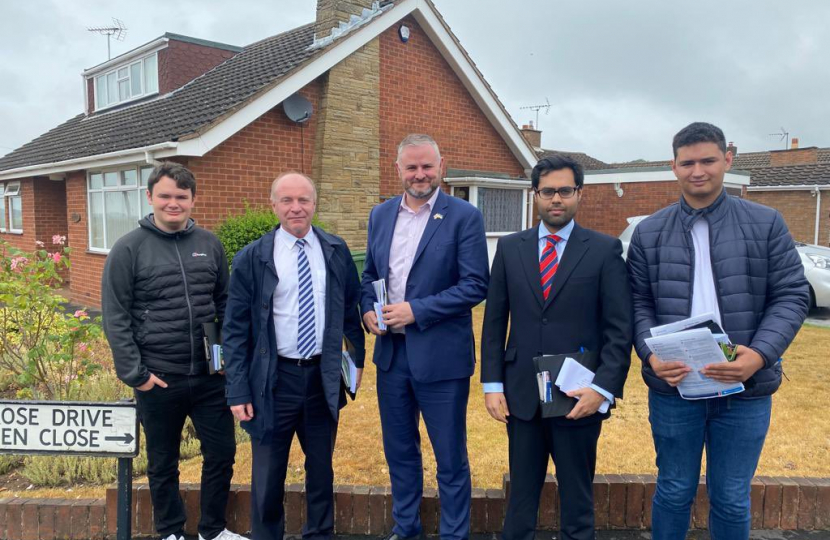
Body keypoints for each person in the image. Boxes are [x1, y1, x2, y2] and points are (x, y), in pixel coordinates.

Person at [627, 122, 810, 540]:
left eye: (708, 160)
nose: (698, 171)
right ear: (672, 166)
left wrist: (760, 355)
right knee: (673, 490)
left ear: (728, 159)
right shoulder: (649, 232)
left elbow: (791, 295)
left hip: (745, 389)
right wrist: (650, 355)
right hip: (675, 387)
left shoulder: (766, 222)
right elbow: (638, 303)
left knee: (731, 496)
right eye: (687, 162)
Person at [480, 155, 633, 540]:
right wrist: (492, 385)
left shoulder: (604, 250)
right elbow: (495, 321)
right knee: (520, 500)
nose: (557, 199)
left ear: (578, 194)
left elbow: (619, 329)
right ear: (536, 195)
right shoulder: (511, 248)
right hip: (522, 396)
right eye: (548, 191)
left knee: (578, 501)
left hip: (577, 396)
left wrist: (602, 389)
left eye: (565, 190)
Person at [102, 162, 242, 540]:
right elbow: (115, 315)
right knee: (163, 463)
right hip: (159, 378)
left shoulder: (209, 244)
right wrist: (137, 374)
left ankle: (213, 530)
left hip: (210, 378)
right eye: (165, 195)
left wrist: (227, 358)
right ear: (150, 197)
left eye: (182, 196)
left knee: (222, 455)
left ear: (193, 199)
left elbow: (226, 304)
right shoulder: (128, 249)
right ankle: (171, 531)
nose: (173, 203)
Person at [222, 171, 365, 540]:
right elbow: (235, 330)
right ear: (274, 205)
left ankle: (320, 534)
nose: (296, 207)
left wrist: (356, 362)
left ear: (314, 204)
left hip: (322, 378)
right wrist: (237, 390)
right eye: (287, 200)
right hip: (273, 381)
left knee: (321, 471)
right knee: (268, 476)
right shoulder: (253, 258)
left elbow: (350, 312)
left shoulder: (335, 250)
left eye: (303, 200)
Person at [361, 134, 489, 540]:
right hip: (392, 357)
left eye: (427, 166)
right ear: (398, 169)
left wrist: (417, 311)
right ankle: (407, 529)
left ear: (441, 166)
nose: (420, 174)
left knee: (449, 456)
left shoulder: (464, 216)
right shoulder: (380, 215)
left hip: (441, 358)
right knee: (399, 452)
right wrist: (367, 311)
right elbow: (369, 278)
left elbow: (474, 285)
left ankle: (454, 535)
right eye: (411, 167)